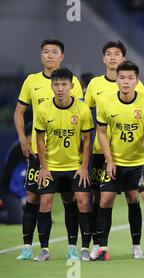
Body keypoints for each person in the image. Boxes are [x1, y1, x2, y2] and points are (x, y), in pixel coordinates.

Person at [14, 39, 84, 260]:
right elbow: (19, 112)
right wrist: (23, 139)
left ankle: (72, 247)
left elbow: (78, 117)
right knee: (34, 197)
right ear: (40, 55)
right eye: (46, 52)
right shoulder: (32, 81)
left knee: (69, 197)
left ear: (62, 56)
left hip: (68, 156)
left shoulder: (73, 83)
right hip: (39, 151)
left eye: (55, 52)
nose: (50, 55)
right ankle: (28, 247)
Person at [84, 40, 144, 258]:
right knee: (100, 197)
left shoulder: (136, 86)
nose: (113, 58)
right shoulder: (95, 85)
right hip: (99, 153)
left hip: (132, 156)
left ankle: (136, 246)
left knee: (133, 197)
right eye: (109, 54)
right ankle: (97, 245)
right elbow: (87, 117)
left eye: (117, 54)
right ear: (104, 58)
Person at [94, 61, 144, 261]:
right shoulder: (106, 102)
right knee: (105, 200)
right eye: (122, 78)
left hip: (140, 162)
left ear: (137, 81)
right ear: (117, 80)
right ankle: (102, 248)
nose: (126, 82)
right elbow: (102, 133)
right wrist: (109, 160)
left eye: (130, 78)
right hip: (116, 162)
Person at [34, 68, 94, 261]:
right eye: (56, 84)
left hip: (75, 166)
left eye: (64, 84)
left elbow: (87, 139)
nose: (60, 88)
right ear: (51, 86)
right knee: (44, 203)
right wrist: (43, 167)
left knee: (83, 202)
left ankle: (83, 248)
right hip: (51, 167)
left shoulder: (82, 109)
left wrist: (84, 166)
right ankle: (44, 249)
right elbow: (40, 139)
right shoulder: (43, 109)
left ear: (72, 86)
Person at [0, 123, 32, 224]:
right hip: (9, 190)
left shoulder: (34, 148)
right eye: (34, 135)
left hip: (20, 189)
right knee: (18, 220)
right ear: (27, 137)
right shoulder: (19, 148)